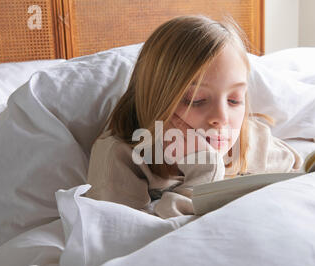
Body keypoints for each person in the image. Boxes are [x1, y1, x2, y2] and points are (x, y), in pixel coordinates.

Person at [85, 15, 302, 218]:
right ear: (155, 100)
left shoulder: (253, 141)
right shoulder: (121, 157)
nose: (221, 118)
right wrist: (204, 168)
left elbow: (301, 179)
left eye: (234, 100)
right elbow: (133, 240)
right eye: (196, 100)